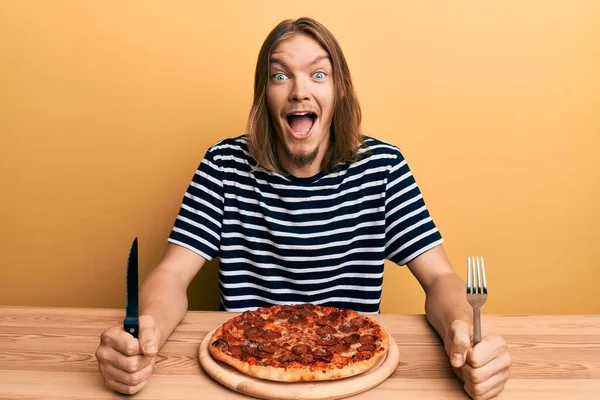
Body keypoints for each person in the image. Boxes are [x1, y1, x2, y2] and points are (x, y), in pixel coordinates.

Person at [95, 17, 512, 399]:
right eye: (280, 75)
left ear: (338, 90)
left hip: (356, 376)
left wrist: (463, 331)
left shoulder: (382, 167)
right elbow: (171, 274)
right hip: (243, 379)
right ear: (265, 93)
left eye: (318, 74)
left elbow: (441, 278)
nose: (299, 91)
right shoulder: (223, 166)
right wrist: (144, 332)